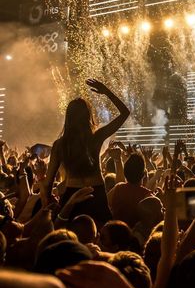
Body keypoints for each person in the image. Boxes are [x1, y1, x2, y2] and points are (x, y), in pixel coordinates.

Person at [43, 79, 130, 225]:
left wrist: (49, 200)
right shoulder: (96, 138)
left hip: (71, 193)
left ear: (68, 117)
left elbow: (48, 181)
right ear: (87, 116)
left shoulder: (60, 145)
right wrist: (106, 92)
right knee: (101, 234)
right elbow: (125, 113)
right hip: (95, 193)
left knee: (68, 236)